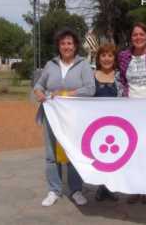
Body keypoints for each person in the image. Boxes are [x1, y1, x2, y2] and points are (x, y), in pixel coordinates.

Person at [34, 27, 96, 207]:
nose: (66, 46)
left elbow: (90, 89)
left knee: (72, 152)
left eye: (69, 43)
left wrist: (67, 93)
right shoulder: (50, 64)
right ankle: (54, 190)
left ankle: (76, 190)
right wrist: (38, 91)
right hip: (51, 116)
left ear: (75, 46)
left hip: (74, 117)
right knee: (51, 154)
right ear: (58, 46)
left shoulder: (83, 64)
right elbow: (38, 84)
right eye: (63, 43)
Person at [118, 22, 146, 204]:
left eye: (141, 34)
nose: (138, 37)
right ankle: (135, 188)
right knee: (133, 149)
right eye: (135, 35)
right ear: (131, 38)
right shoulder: (123, 56)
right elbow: (121, 79)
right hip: (131, 111)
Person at [93, 43, 122, 201]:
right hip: (97, 125)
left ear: (114, 58)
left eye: (110, 55)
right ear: (98, 58)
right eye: (103, 55)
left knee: (113, 157)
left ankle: (110, 187)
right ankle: (101, 187)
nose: (106, 58)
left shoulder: (119, 76)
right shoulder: (92, 76)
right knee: (99, 156)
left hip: (116, 124)